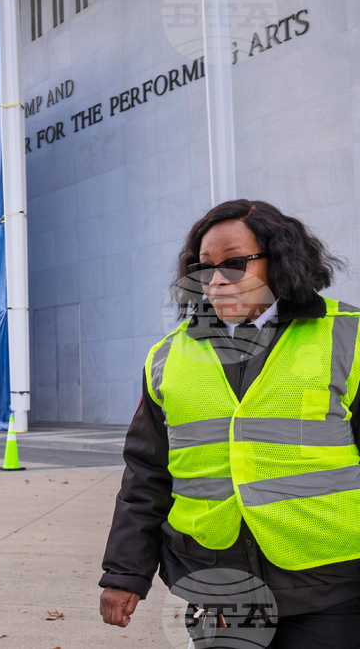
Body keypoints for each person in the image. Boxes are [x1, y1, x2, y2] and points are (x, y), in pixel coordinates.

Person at [99, 200, 360, 648]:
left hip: (329, 582)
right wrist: (125, 572)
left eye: (235, 264)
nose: (216, 281)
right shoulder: (169, 355)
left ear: (280, 259)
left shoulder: (347, 336)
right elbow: (146, 473)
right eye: (204, 268)